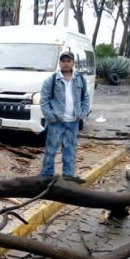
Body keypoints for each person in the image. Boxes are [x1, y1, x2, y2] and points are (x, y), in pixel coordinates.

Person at [39, 51, 90, 184]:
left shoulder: (80, 79)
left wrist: (82, 114)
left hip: (73, 121)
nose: (66, 63)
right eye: (63, 61)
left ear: (73, 63)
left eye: (69, 61)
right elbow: (44, 101)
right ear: (59, 63)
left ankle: (68, 174)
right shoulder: (52, 80)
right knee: (51, 149)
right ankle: (46, 175)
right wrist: (51, 117)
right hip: (57, 122)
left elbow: (85, 98)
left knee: (70, 149)